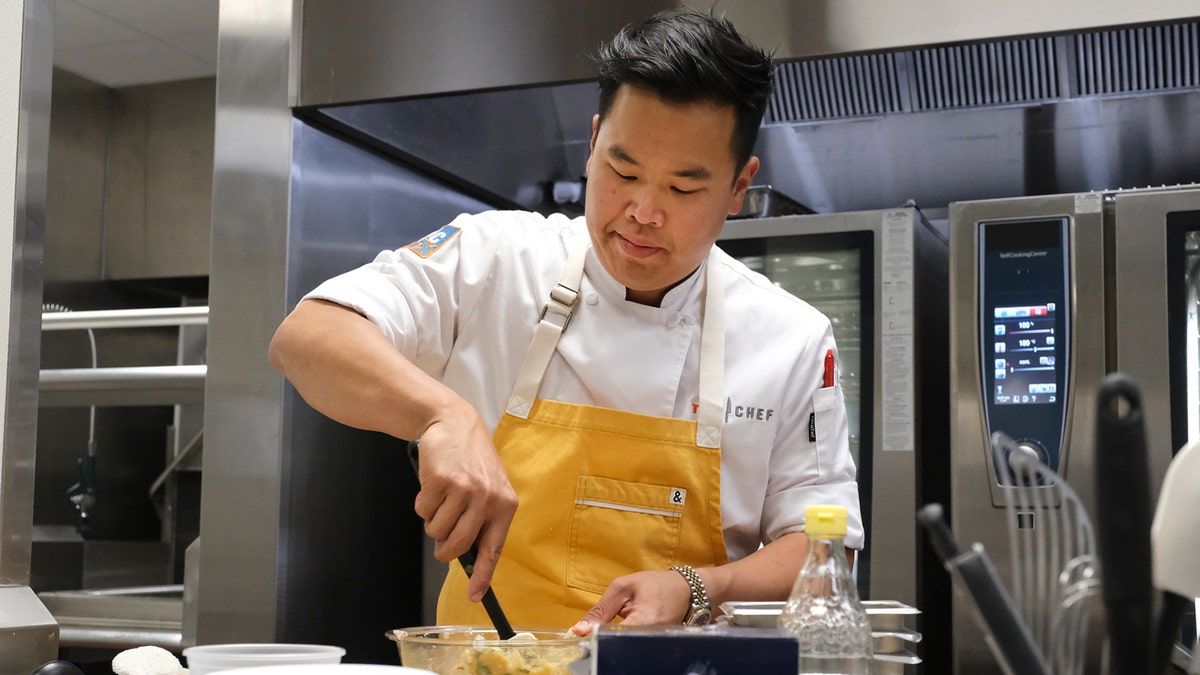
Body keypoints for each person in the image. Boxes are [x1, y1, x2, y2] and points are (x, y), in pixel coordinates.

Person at [268, 7, 862, 635]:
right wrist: (441, 414)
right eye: (622, 170)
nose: (642, 212)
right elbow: (307, 337)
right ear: (594, 141)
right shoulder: (495, 256)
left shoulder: (790, 336)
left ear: (740, 187)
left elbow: (826, 553)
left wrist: (700, 588)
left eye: (683, 190)